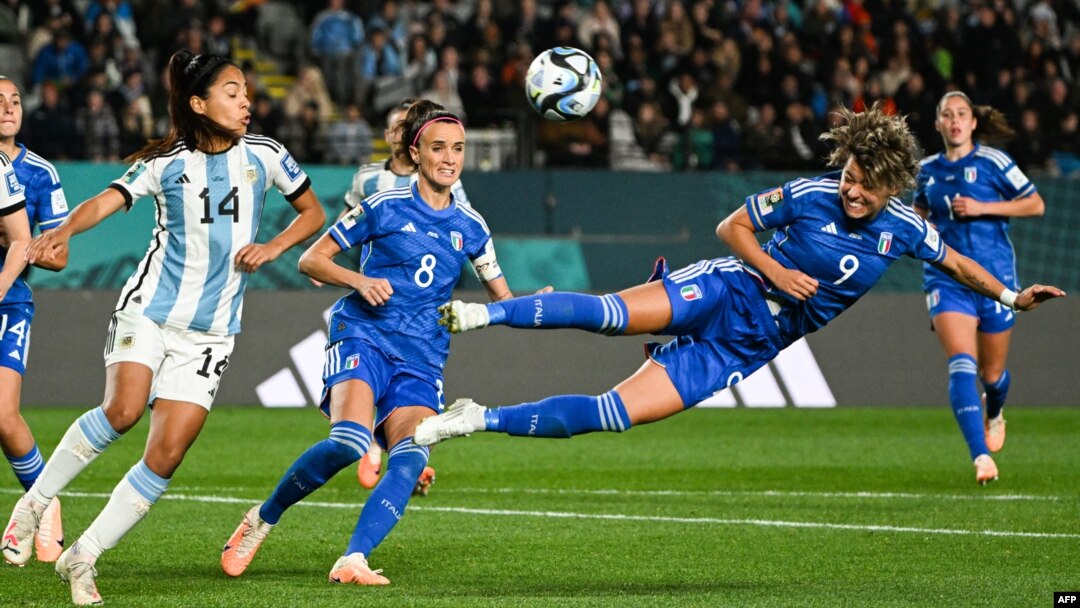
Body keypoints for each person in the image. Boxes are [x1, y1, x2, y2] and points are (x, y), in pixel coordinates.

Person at [415, 104, 1065, 490]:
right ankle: (485, 312)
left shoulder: (904, 230)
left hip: (747, 345)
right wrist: (777, 274)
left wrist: (1012, 293)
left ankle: (474, 417)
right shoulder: (812, 195)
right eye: (849, 174)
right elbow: (732, 226)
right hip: (730, 285)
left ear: (891, 186)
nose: (850, 189)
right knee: (613, 314)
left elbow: (956, 260)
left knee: (612, 413)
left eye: (865, 184)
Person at [2, 50, 325, 606]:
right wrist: (66, 232)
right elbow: (107, 199)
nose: (246, 99)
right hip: (150, 311)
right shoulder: (167, 161)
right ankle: (33, 505)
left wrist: (273, 247)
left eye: (245, 90)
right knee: (123, 410)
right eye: (232, 91)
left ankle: (84, 556)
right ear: (199, 104)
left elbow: (312, 213)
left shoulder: (268, 156)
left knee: (167, 454)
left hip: (213, 331)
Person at [219, 99, 518, 586]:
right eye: (439, 148)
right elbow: (311, 260)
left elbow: (501, 300)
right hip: (364, 333)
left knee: (414, 450)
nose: (449, 158)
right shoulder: (382, 205)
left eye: (458, 149)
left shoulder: (472, 227)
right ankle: (262, 518)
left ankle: (353, 558)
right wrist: (359, 282)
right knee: (349, 441)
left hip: (423, 357)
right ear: (415, 153)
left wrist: (532, 306)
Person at [912, 91, 1046, 484]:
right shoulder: (926, 171)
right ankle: (981, 457)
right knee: (961, 364)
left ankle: (995, 410)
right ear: (937, 124)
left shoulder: (994, 162)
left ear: (973, 123)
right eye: (946, 115)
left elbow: (1034, 204)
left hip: (997, 280)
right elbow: (919, 213)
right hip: (947, 278)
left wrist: (984, 207)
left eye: (961, 114)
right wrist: (925, 228)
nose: (954, 121)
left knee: (992, 375)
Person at [342, 98, 469, 493]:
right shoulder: (368, 180)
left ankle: (394, 449)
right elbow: (348, 225)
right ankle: (376, 445)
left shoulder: (441, 177)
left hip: (420, 306)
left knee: (407, 380)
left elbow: (462, 227)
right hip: (375, 296)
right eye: (395, 126)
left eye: (407, 125)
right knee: (365, 375)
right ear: (388, 136)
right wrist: (341, 271)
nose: (400, 132)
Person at [0, 75, 70, 565]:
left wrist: (17, 247)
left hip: (10, 299)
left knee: (3, 416)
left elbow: (59, 255)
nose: (8, 108)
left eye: (15, 100)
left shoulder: (38, 172)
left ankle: (44, 506)